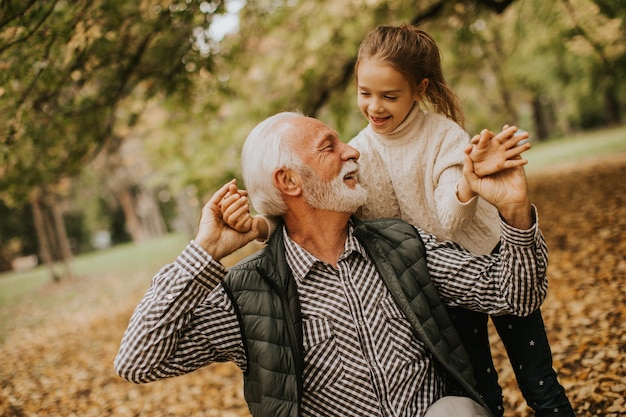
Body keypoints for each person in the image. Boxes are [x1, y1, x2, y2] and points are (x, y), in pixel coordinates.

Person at [223, 25, 574, 417]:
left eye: (390, 96)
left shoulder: (443, 136)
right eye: (365, 93)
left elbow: (448, 221)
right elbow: (322, 209)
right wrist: (259, 228)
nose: (375, 107)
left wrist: (467, 186)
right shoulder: (358, 151)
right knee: (479, 387)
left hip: (485, 258)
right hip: (433, 276)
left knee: (539, 381)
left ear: (419, 89)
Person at [115, 111, 549, 417]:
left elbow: (517, 294)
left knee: (456, 412)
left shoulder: (401, 245)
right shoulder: (249, 295)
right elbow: (138, 361)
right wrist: (203, 254)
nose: (353, 151)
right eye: (330, 146)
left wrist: (514, 210)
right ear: (289, 181)